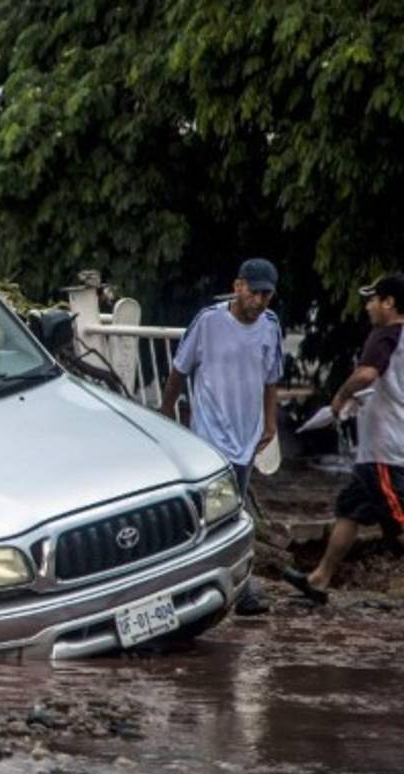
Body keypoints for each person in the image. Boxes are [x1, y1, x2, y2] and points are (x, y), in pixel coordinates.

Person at [160, 257, 283, 616]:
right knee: (213, 514)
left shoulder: (270, 327)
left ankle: (236, 587)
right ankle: (227, 589)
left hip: (246, 437)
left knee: (232, 515)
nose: (260, 302)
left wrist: (270, 422)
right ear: (238, 286)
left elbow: (270, 377)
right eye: (255, 292)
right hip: (209, 436)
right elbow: (180, 369)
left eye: (267, 295)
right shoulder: (209, 322)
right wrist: (167, 411)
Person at [284, 275, 404, 604]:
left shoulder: (385, 335)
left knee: (398, 525)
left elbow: (367, 374)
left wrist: (339, 398)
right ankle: (319, 579)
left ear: (389, 302)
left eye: (371, 300)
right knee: (349, 510)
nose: (367, 307)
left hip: (385, 452)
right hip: (378, 448)